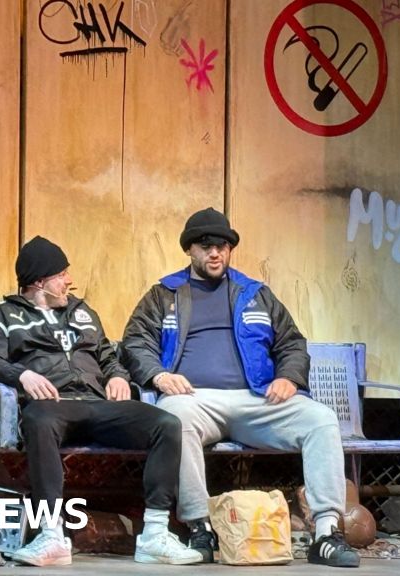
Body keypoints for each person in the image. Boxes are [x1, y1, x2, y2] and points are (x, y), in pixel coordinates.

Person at [121, 208, 361, 568]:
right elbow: (135, 342)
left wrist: (288, 377)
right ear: (189, 250)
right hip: (195, 400)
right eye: (206, 247)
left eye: (222, 246)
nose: (215, 253)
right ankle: (199, 527)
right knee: (174, 421)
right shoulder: (164, 294)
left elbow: (292, 343)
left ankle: (326, 533)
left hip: (257, 398)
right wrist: (158, 375)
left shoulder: (255, 293)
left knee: (321, 419)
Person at [0, 236, 203, 567]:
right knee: (38, 421)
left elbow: (108, 356)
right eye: (61, 274)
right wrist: (22, 375)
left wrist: (117, 376)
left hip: (98, 403)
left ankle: (155, 534)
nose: (69, 281)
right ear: (39, 282)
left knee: (166, 424)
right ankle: (51, 534)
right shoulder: (4, 314)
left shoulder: (82, 312)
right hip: (53, 405)